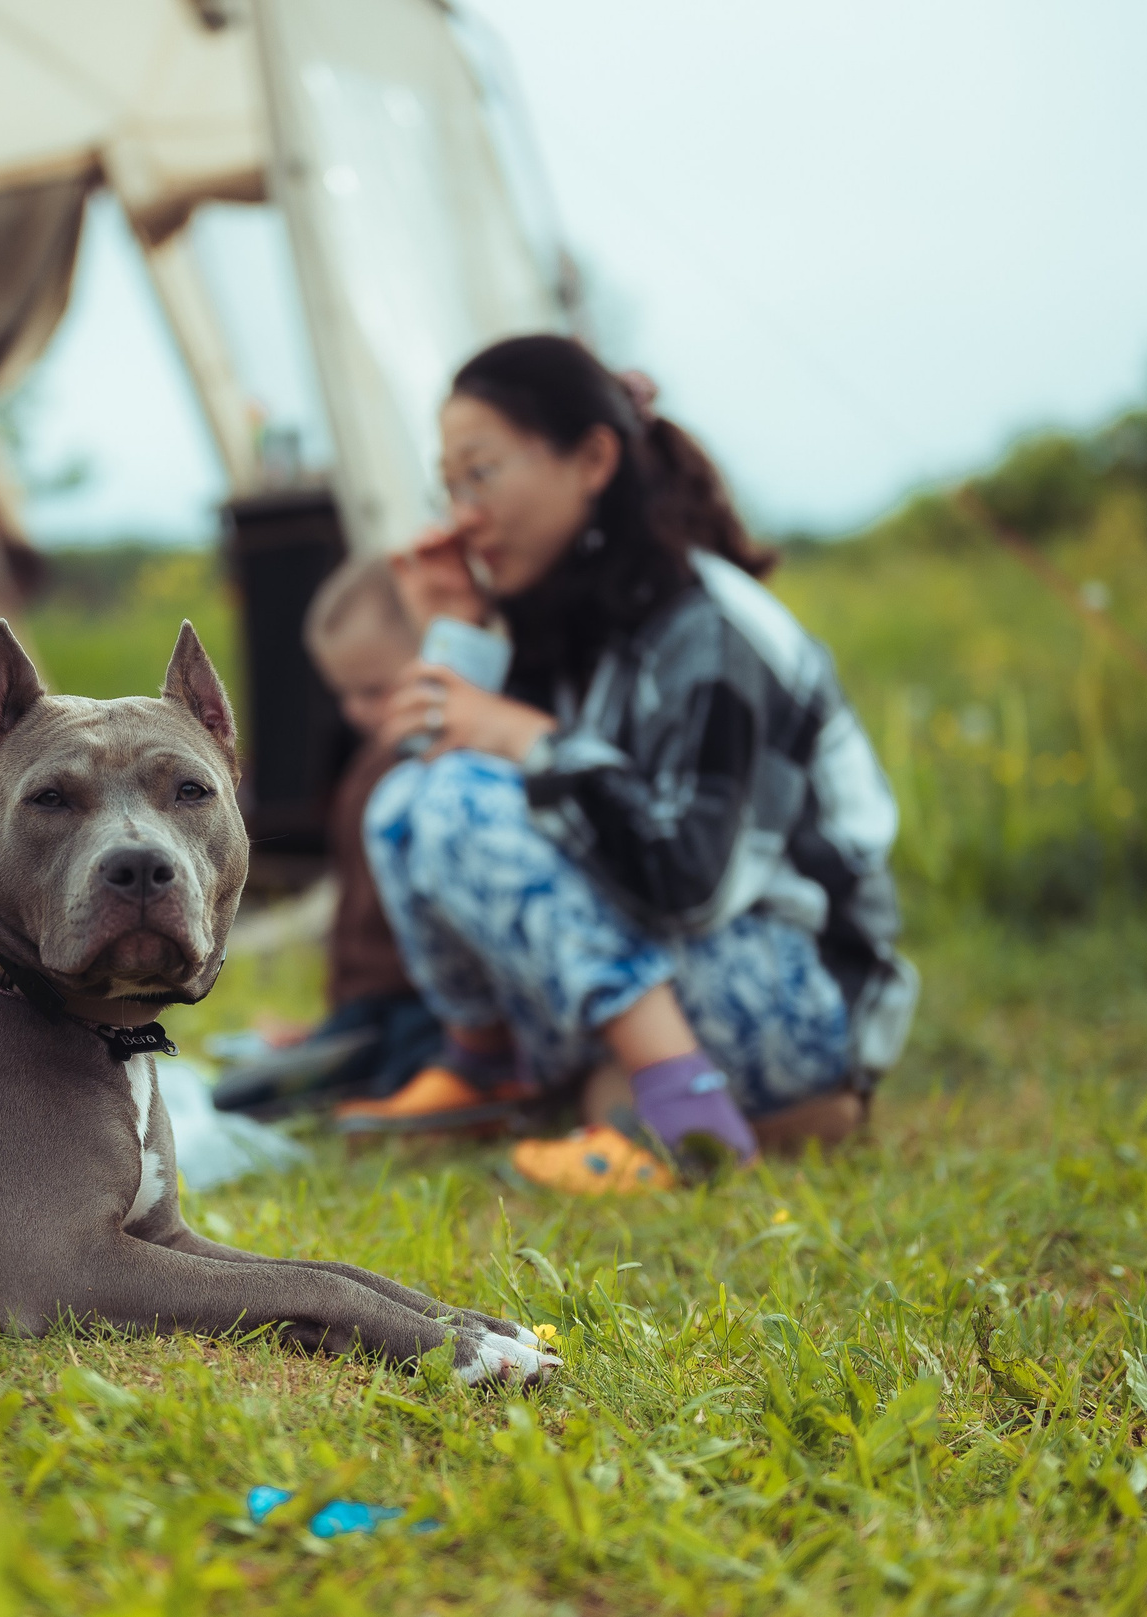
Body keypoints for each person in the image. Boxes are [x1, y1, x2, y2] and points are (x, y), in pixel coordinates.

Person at [343, 334, 917, 1194]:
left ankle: (684, 1109)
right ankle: (492, 1075)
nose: (463, 512)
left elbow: (690, 879)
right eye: (449, 485)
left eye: (483, 472)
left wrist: (530, 739)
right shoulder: (577, 614)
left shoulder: (713, 630)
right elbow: (443, 790)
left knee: (457, 793)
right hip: (689, 974)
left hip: (802, 1000)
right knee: (407, 796)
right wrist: (458, 627)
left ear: (593, 459)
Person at [208, 557, 443, 1113]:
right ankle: (322, 1050)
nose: (357, 711)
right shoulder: (372, 761)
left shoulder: (435, 763)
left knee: (378, 1072)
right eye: (345, 694)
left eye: (374, 690)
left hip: (424, 1002)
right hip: (370, 1001)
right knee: (248, 1090)